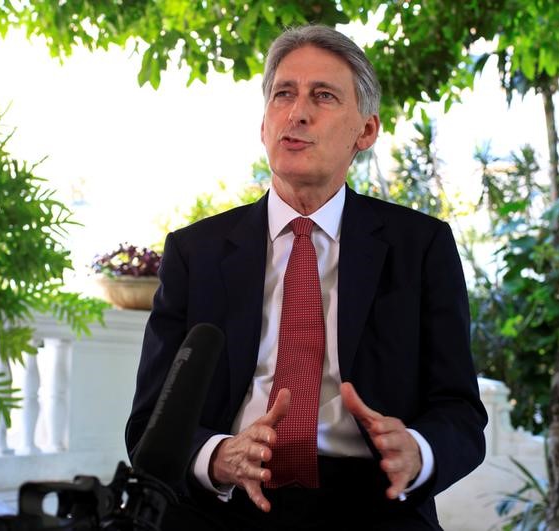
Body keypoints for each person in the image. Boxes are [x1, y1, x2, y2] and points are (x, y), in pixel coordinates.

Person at [126, 24, 487, 531]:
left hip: (373, 502)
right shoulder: (196, 252)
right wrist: (218, 456)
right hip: (225, 505)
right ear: (263, 125)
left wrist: (418, 452)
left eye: (323, 96)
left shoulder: (420, 247)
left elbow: (461, 415)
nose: (297, 112)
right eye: (283, 95)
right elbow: (149, 428)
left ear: (365, 131)